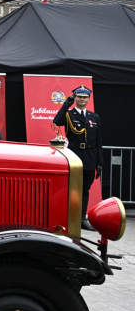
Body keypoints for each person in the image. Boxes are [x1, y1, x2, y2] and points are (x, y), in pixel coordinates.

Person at [53, 86, 104, 230]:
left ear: (88, 99)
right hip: (74, 155)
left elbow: (99, 141)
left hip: (89, 156)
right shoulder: (69, 114)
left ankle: (82, 219)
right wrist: (66, 105)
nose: (82, 99)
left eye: (85, 97)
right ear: (75, 98)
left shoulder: (94, 117)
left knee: (85, 189)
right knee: (71, 188)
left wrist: (99, 163)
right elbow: (57, 122)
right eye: (79, 97)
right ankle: (68, 217)